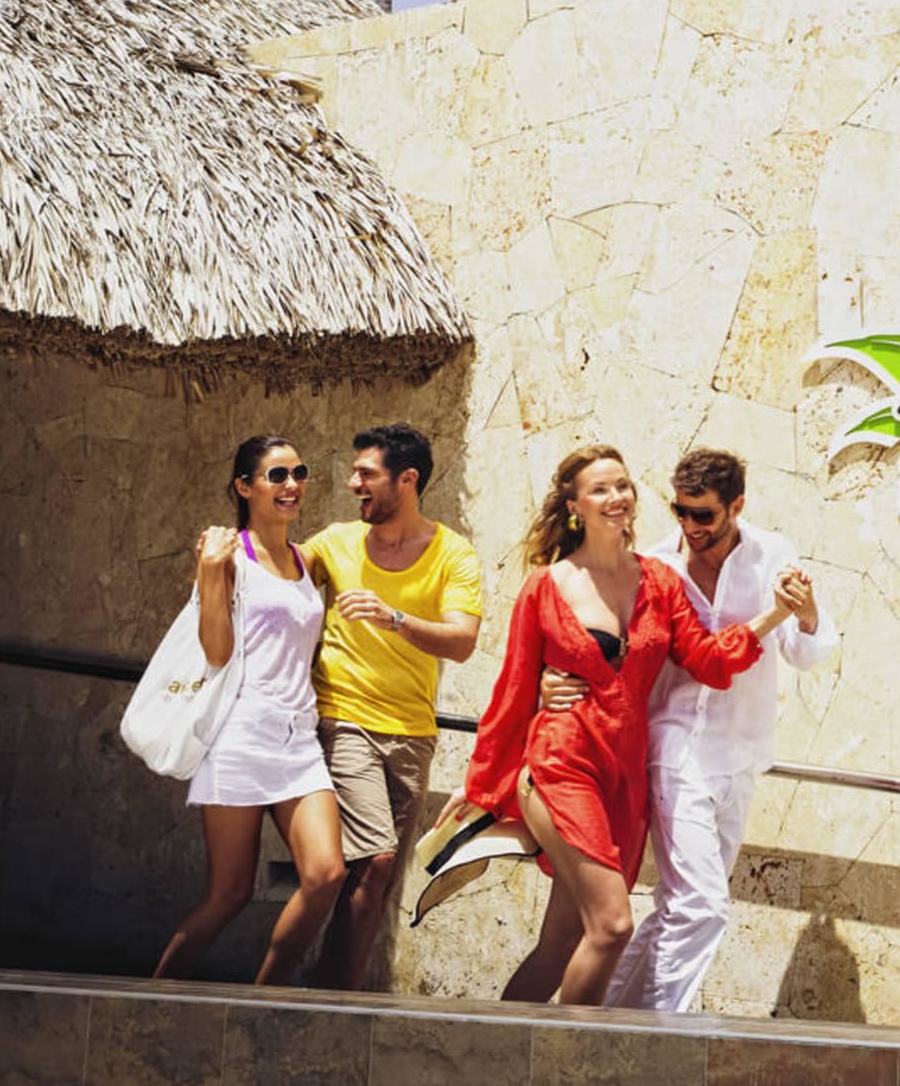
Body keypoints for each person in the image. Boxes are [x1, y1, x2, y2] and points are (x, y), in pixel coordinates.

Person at [462, 444, 791, 1006]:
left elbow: (709, 662)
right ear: (574, 506)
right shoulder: (547, 585)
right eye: (600, 489)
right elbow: (513, 693)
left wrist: (774, 615)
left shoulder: (660, 581)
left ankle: (492, 1047)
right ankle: (572, 1054)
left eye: (622, 485)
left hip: (624, 777)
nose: (616, 497)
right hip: (562, 764)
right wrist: (478, 788)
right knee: (612, 926)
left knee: (562, 941)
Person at [546, 448, 832, 1013]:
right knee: (702, 907)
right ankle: (655, 1035)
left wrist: (807, 614)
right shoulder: (655, 566)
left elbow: (807, 654)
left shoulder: (773, 556)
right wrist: (547, 684)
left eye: (704, 515)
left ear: (736, 506)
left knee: (681, 907)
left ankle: (605, 1023)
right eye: (680, 511)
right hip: (672, 749)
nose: (690, 526)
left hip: (742, 753)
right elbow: (604, 648)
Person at [153, 436, 346, 984]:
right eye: (276, 475)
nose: (292, 485)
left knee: (326, 874)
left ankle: (265, 1002)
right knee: (229, 893)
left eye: (299, 473)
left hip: (298, 739)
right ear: (244, 487)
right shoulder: (228, 557)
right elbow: (217, 652)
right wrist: (210, 570)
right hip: (239, 737)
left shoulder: (305, 559)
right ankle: (150, 999)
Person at [300, 422, 483, 991]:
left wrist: (394, 618)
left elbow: (462, 640)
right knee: (375, 860)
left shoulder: (453, 554)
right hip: (343, 719)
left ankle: (331, 996)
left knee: (377, 879)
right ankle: (327, 998)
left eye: (366, 474)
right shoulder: (334, 542)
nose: (353, 483)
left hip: (412, 734)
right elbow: (279, 571)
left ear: (407, 480)